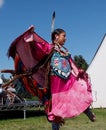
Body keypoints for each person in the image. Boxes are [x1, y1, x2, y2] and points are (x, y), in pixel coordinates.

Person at [44, 28, 96, 130]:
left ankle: (87, 111)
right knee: (58, 109)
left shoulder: (65, 52)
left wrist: (80, 73)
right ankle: (55, 128)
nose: (66, 38)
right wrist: (31, 34)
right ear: (56, 36)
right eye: (64, 36)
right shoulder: (49, 48)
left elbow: (72, 64)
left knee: (79, 92)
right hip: (56, 83)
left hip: (67, 79)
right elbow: (37, 48)